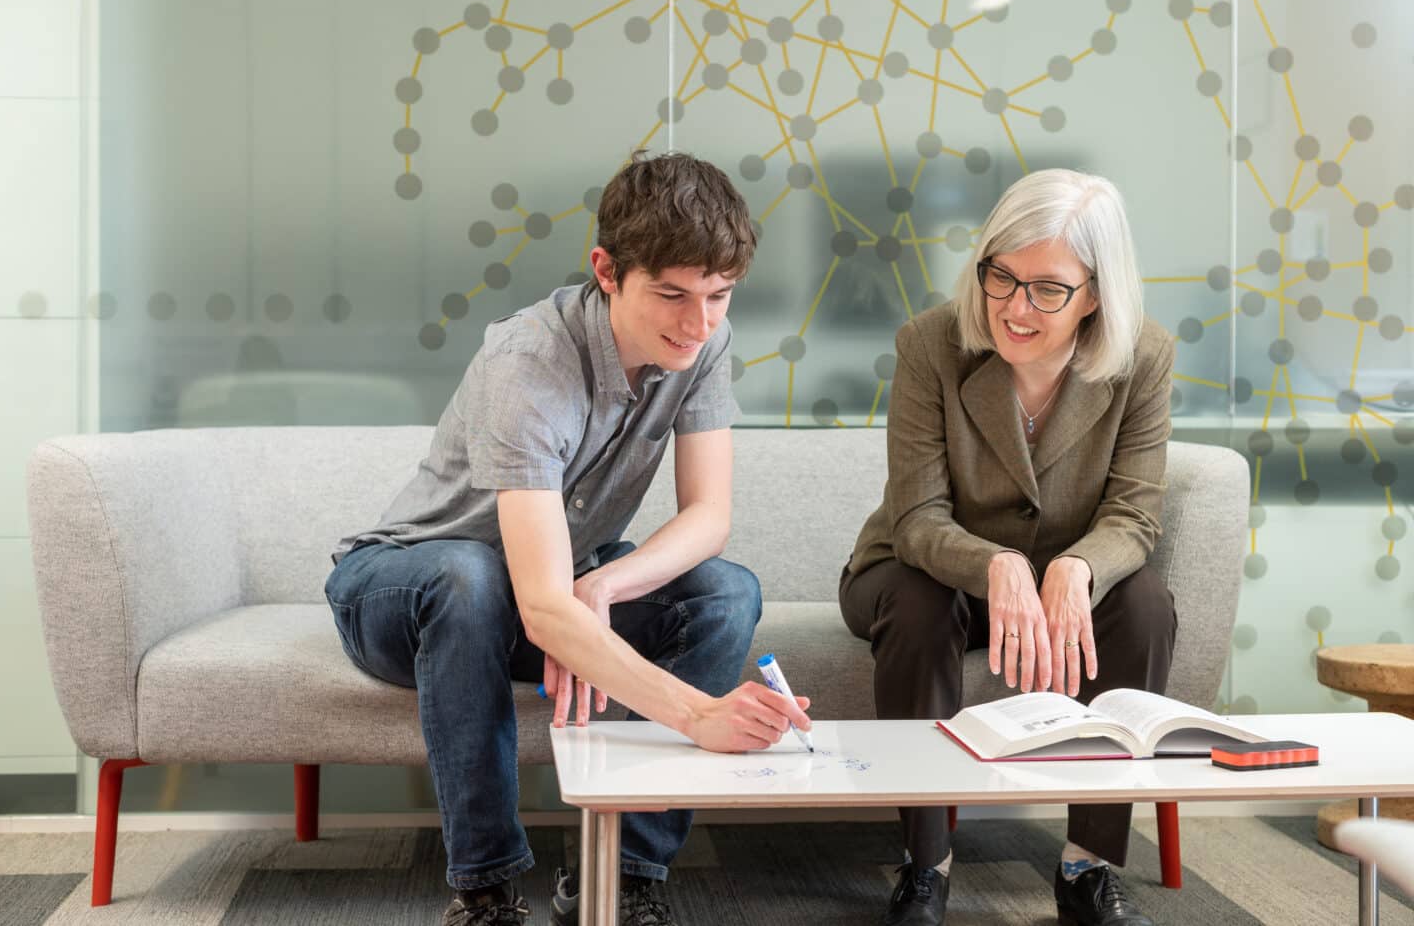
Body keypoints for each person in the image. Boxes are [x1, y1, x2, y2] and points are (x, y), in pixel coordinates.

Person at [324, 151, 812, 926]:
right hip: (406, 592)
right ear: (608, 270)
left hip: (550, 587)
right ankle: (484, 893)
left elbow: (707, 517)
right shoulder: (529, 360)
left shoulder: (705, 343)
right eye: (673, 295)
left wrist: (606, 585)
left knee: (728, 590)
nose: (699, 322)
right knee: (470, 577)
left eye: (719, 296)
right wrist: (696, 714)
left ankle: (621, 875)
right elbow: (540, 606)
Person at [839, 169, 1176, 926]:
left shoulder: (1142, 358)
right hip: (919, 570)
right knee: (921, 605)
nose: (1015, 307)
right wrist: (1000, 566)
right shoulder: (929, 344)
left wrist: (1077, 565)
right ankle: (926, 865)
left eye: (1047, 289)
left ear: (1096, 293)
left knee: (1148, 603)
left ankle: (1087, 866)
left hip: (1057, 583)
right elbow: (918, 516)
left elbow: (1134, 512)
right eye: (1001, 276)